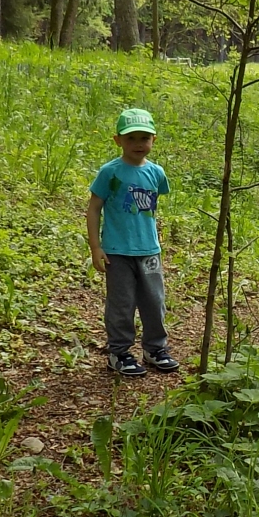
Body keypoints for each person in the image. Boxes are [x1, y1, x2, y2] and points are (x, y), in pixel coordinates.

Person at [88, 108, 179, 376]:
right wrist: (96, 247)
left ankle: (155, 349)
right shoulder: (110, 173)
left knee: (154, 301)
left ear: (154, 140)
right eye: (131, 138)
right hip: (117, 252)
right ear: (118, 140)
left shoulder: (156, 173)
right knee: (121, 303)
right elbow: (94, 208)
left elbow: (150, 207)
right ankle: (119, 352)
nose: (138, 144)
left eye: (144, 138)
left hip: (149, 250)